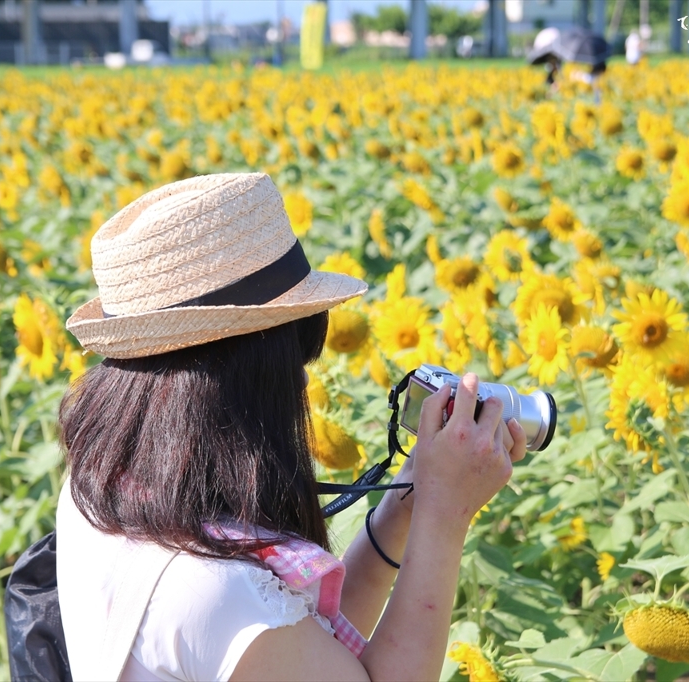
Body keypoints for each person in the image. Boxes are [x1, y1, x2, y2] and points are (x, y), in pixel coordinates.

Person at [55, 172, 527, 681]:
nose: (302, 385)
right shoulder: (211, 595)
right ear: (244, 380)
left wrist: (407, 500)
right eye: (295, 363)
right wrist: (446, 513)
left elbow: (309, 647)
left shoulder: (103, 489)